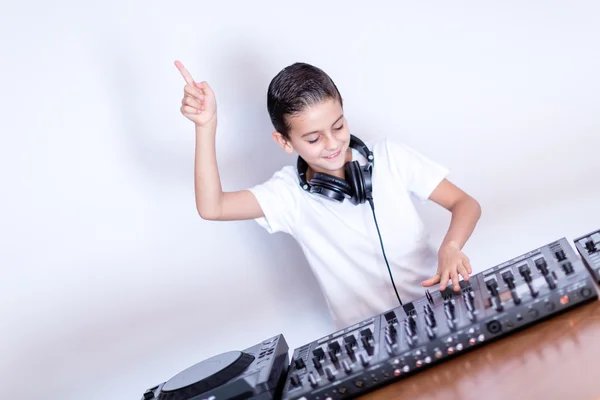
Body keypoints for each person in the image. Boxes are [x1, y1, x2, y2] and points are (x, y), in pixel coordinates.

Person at [174, 60, 482, 329]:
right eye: (313, 138)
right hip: (368, 340)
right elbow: (212, 207)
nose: (333, 144)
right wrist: (206, 125)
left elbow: (464, 203)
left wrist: (451, 246)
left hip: (445, 307)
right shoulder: (287, 196)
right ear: (284, 142)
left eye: (338, 126)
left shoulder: (391, 157)